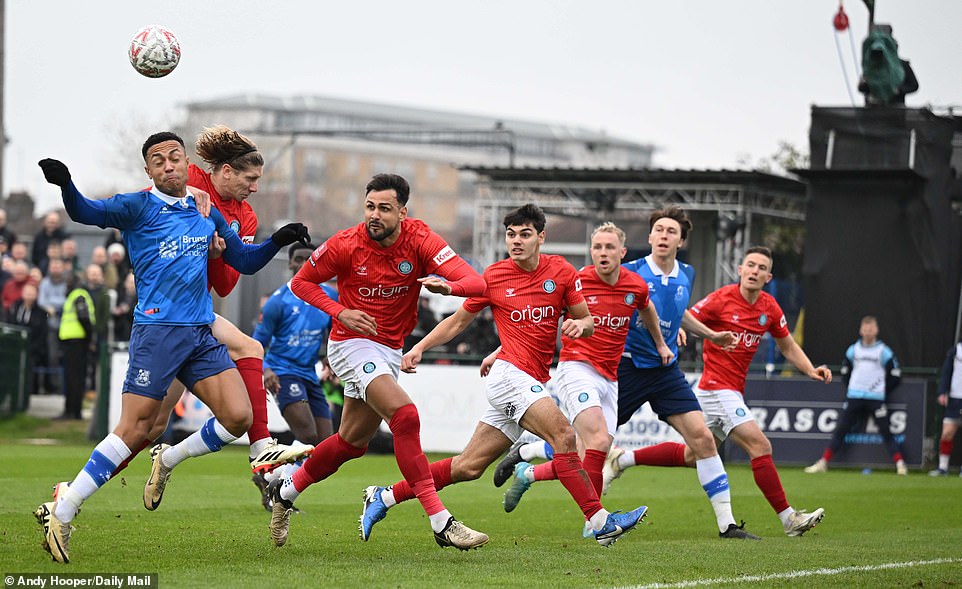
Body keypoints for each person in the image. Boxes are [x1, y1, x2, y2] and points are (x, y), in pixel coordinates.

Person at [32, 131, 309, 564]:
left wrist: (279, 239)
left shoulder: (206, 211)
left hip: (200, 334)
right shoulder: (137, 205)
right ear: (149, 171)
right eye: (157, 160)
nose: (167, 165)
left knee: (239, 416)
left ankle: (186, 456)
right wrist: (66, 184)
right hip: (157, 333)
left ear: (185, 163)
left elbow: (245, 261)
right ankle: (63, 509)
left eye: (174, 158)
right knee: (136, 429)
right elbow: (86, 211)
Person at [359, 204, 648, 548]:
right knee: (564, 435)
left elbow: (586, 320)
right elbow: (457, 321)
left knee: (469, 466)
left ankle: (384, 496)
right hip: (508, 377)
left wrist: (579, 325)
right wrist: (419, 347)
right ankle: (600, 521)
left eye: (525, 234)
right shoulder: (494, 276)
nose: (516, 241)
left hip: (529, 380)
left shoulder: (562, 271)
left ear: (541, 237)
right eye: (511, 235)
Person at [266, 173, 489, 551]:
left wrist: (448, 287)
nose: (374, 215)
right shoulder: (346, 243)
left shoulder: (420, 239)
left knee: (350, 444)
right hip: (351, 343)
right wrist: (340, 312)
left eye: (384, 209)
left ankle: (285, 491)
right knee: (405, 416)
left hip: (387, 349)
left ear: (402, 212)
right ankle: (441, 522)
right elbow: (302, 283)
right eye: (370, 206)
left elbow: (476, 282)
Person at [130, 126, 312, 515]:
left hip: (197, 314)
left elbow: (228, 283)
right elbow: (152, 201)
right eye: (251, 179)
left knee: (247, 350)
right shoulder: (191, 178)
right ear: (225, 172)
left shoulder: (245, 218)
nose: (255, 188)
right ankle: (86, 484)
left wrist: (215, 255)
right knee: (147, 428)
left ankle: (258, 448)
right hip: (164, 311)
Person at [603, 246, 829, 536]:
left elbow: (786, 344)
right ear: (740, 269)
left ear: (768, 276)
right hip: (716, 389)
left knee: (693, 456)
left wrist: (810, 369)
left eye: (761, 268)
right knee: (761, 446)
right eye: (750, 265)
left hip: (730, 391)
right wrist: (677, 332)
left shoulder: (769, 307)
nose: (754, 271)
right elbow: (685, 313)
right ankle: (789, 519)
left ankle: (623, 459)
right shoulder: (722, 299)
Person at [491, 222, 672, 512]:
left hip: (610, 377)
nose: (603, 252)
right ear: (591, 251)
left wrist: (660, 344)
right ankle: (597, 522)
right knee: (598, 441)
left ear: (622, 252)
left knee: (590, 454)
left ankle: (529, 470)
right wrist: (499, 351)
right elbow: (536, 321)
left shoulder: (635, 285)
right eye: (597, 247)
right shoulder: (577, 281)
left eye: (609, 247)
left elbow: (647, 308)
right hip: (577, 367)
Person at [603, 206, 758, 539]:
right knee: (590, 439)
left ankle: (727, 525)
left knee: (703, 439)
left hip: (665, 370)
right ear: (649, 237)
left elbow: (679, 311)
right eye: (658, 229)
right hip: (628, 366)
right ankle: (528, 454)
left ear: (681, 240)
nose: (663, 235)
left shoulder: (687, 273)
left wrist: (710, 335)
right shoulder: (628, 271)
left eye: (671, 231)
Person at [249, 243, 338, 510]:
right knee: (308, 434)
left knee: (324, 445)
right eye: (298, 259)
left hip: (308, 374)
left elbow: (336, 332)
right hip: (283, 372)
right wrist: (265, 369)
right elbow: (257, 342)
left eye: (308, 260)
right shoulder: (279, 301)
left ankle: (269, 475)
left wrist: (329, 358)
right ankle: (281, 494)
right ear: (290, 264)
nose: (302, 264)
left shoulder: (329, 296)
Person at [805, 316, 907, 475]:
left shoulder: (883, 351)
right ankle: (823, 462)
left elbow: (895, 374)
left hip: (875, 398)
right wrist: (854, 387)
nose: (868, 332)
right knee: (841, 429)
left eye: (871, 328)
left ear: (876, 330)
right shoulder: (853, 350)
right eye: (865, 328)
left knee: (886, 431)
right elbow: (845, 372)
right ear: (860, 330)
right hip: (855, 396)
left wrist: (882, 390)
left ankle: (900, 464)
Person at [57, 270, 94, 420]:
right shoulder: (77, 295)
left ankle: (73, 411)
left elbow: (84, 318)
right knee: (73, 378)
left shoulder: (78, 294)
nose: (66, 284)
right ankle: (71, 410)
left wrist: (89, 339)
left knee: (75, 378)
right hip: (73, 342)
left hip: (77, 342)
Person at [6, 282, 49, 395]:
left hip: (33, 349)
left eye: (32, 293)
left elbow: (42, 334)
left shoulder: (41, 313)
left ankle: (28, 393)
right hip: (14, 348)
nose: (29, 295)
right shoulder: (15, 308)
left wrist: (31, 348)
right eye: (27, 293)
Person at [930, 340, 962, 476]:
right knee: (947, 433)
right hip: (955, 398)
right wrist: (942, 392)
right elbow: (946, 372)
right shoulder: (956, 350)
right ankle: (943, 467)